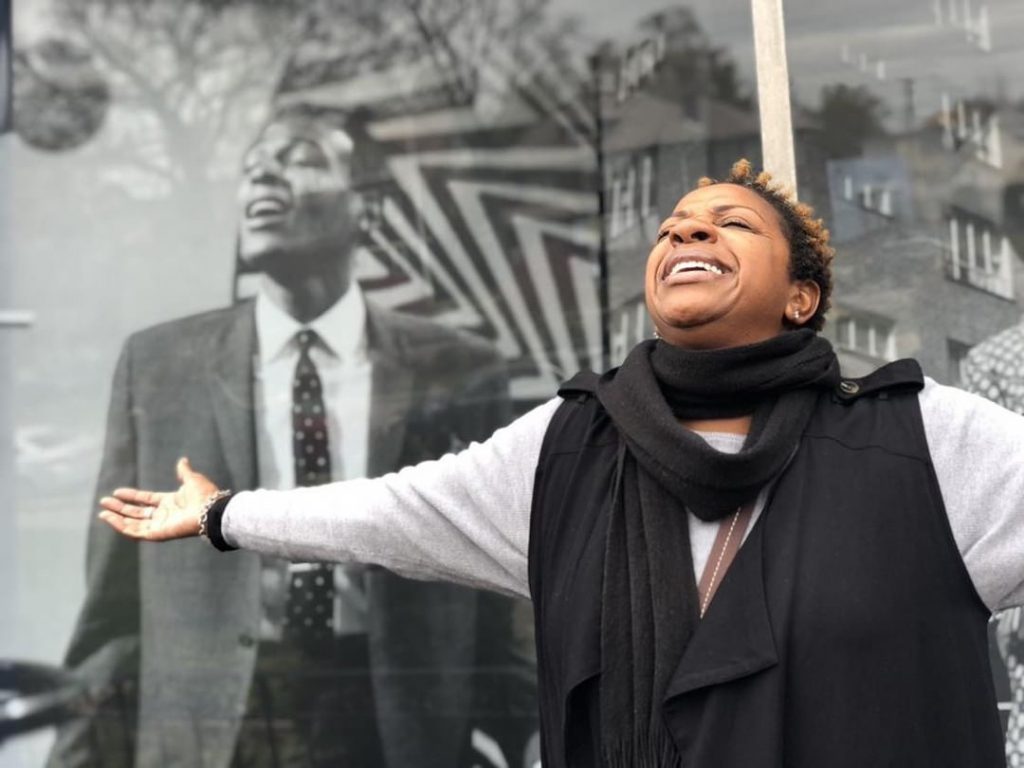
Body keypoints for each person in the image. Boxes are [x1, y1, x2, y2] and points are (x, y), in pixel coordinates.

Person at [97, 159, 1024, 767]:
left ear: (801, 297)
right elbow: (391, 513)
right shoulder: (567, 449)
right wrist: (225, 515)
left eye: (729, 223)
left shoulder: (925, 441)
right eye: (672, 227)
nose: (686, 234)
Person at [50, 108, 536, 768]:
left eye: (299, 159)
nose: (263, 177)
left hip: (394, 724)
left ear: (364, 209)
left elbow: (495, 586)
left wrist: (535, 733)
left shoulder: (456, 369)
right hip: (214, 728)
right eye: (252, 167)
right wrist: (79, 754)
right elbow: (113, 608)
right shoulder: (159, 366)